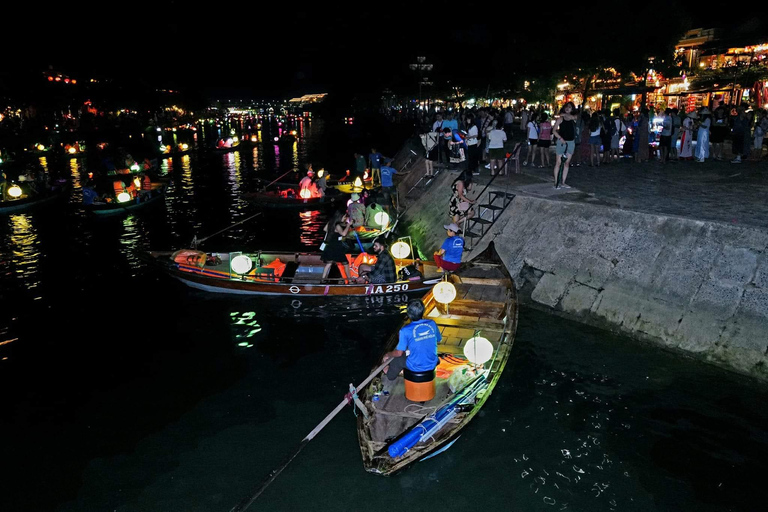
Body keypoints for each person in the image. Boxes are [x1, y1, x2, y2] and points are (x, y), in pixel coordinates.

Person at [380, 299, 441, 394]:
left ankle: (389, 374)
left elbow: (399, 353)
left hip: (416, 366)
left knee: (397, 359)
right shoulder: (432, 323)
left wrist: (388, 354)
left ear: (408, 314)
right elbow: (438, 340)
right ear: (423, 311)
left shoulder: (405, 330)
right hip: (433, 362)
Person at [552, 102, 578, 189]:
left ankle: (563, 182)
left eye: (570, 107)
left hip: (571, 142)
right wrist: (560, 138)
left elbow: (574, 117)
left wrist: (565, 114)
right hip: (562, 142)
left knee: (567, 163)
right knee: (558, 163)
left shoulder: (573, 118)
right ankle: (556, 182)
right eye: (566, 107)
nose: (568, 108)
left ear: (572, 109)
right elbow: (554, 130)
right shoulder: (560, 119)